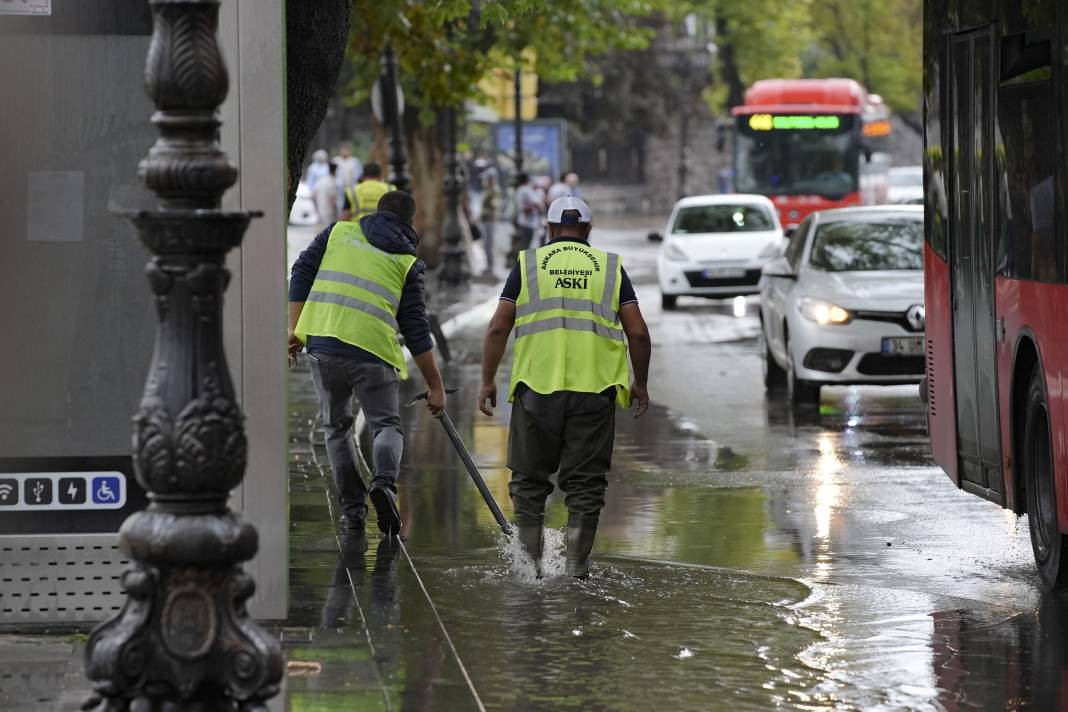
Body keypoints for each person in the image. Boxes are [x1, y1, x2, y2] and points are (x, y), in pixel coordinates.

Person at [478, 196, 652, 578]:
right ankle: (576, 569)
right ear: (588, 229)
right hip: (595, 391)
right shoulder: (610, 267)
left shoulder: (528, 264)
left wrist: (487, 380)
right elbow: (638, 333)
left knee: (529, 483)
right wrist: (640, 384)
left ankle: (530, 570)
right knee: (586, 486)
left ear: (550, 228)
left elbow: (497, 328)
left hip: (536, 389)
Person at [288, 190, 447, 536]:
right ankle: (384, 484)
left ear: (376, 211)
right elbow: (416, 329)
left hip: (323, 343)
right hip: (373, 353)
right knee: (386, 425)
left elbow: (300, 271)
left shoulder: (337, 232)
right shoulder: (408, 262)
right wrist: (435, 386)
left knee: (336, 429)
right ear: (410, 223)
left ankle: (353, 512)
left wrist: (295, 330)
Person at [508, 172, 540, 266]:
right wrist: (536, 207)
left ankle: (521, 264)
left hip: (525, 222)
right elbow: (535, 203)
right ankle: (523, 265)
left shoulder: (522, 189)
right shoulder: (525, 190)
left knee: (525, 245)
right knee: (525, 246)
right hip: (527, 222)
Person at [479, 172, 502, 275]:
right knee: (486, 244)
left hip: (489, 221)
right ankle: (488, 265)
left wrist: (490, 215)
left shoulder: (494, 191)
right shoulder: (489, 191)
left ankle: (490, 266)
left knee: (489, 244)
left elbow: (495, 205)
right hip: (485, 220)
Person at [333, 143, 362, 214]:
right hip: (338, 188)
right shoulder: (335, 161)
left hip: (352, 187)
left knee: (351, 204)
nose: (345, 152)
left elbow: (358, 174)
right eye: (343, 150)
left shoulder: (354, 161)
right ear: (340, 151)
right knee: (339, 204)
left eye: (346, 150)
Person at [314, 161, 339, 227]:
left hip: (320, 210)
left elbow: (313, 195)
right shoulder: (332, 182)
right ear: (335, 171)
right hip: (329, 212)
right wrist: (335, 213)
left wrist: (316, 209)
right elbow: (332, 199)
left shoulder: (321, 180)